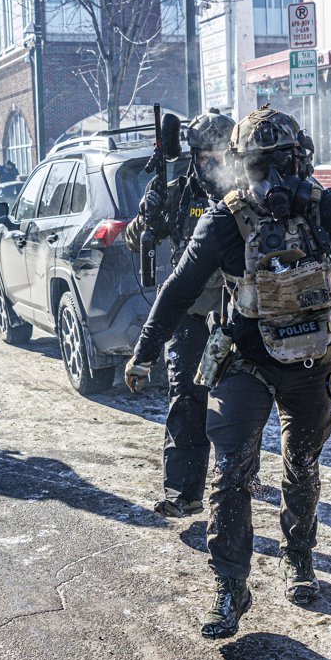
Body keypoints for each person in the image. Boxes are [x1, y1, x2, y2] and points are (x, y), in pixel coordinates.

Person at [124, 105, 331, 640]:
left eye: (283, 162)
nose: (274, 178)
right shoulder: (224, 218)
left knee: (302, 465)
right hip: (244, 363)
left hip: (311, 363)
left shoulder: (323, 207)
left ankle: (299, 558)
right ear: (240, 166)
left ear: (303, 159)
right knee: (231, 473)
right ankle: (229, 585)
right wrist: (145, 351)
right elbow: (178, 290)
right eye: (260, 166)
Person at [124, 107, 236, 518]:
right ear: (193, 155)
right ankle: (182, 493)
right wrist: (147, 215)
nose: (214, 163)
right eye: (206, 156)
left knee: (236, 401)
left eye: (221, 154)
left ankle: (241, 476)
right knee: (186, 397)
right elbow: (138, 240)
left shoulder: (245, 186)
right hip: (190, 312)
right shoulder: (175, 186)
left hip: (236, 311)